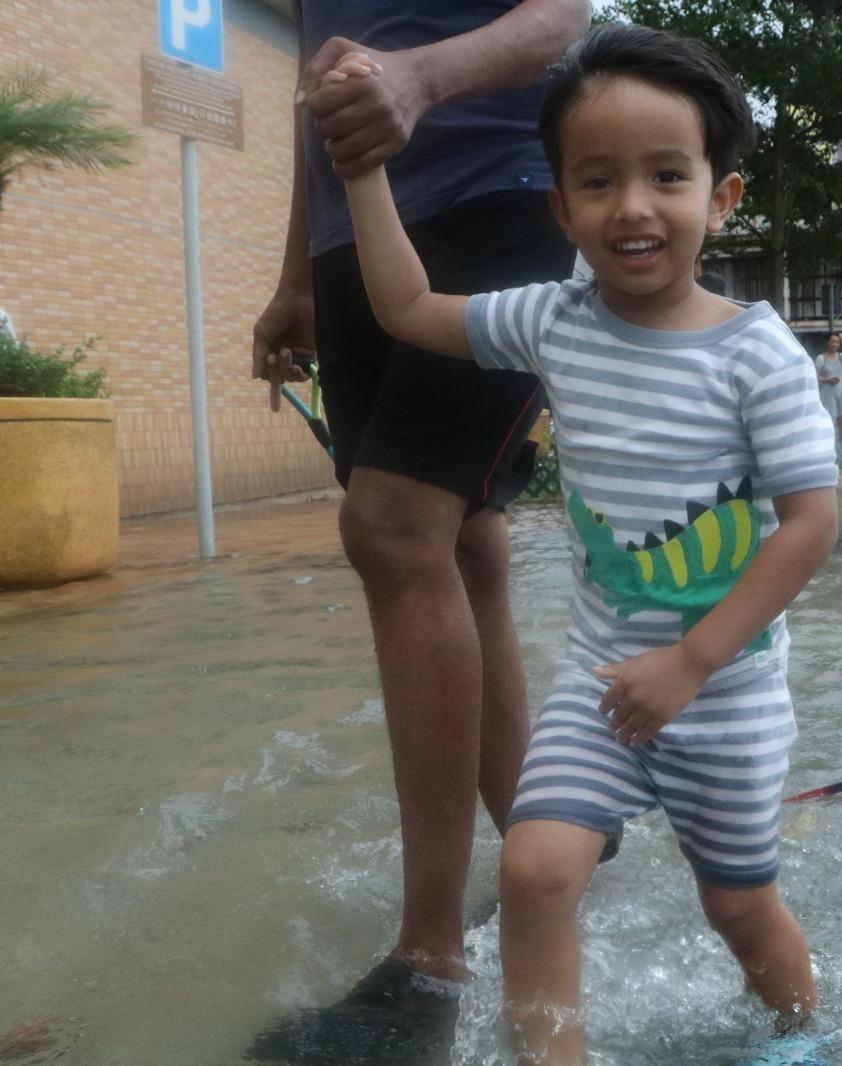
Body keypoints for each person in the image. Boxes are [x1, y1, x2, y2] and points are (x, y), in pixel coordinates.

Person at [323, 25, 839, 1064]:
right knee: (535, 867)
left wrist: (693, 661)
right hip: (601, 688)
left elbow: (812, 524)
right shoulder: (553, 321)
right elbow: (408, 305)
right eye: (596, 181)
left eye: (665, 175)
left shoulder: (757, 354)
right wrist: (365, 171)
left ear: (720, 198)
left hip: (725, 693)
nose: (632, 206)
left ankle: (800, 1035)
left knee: (739, 908)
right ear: (559, 209)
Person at [246, 2, 587, 1058]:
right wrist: (300, 274)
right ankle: (548, 855)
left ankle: (427, 958)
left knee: (392, 527)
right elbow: (322, 85)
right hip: (360, 230)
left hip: (503, 196)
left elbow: (564, 17)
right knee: (460, 539)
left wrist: (422, 79)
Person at [814, 332, 842, 439]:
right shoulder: (821, 358)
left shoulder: (841, 356)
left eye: (837, 342)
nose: (835, 344)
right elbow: (815, 376)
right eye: (833, 342)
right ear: (828, 342)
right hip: (827, 394)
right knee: (832, 422)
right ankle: (833, 447)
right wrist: (827, 380)